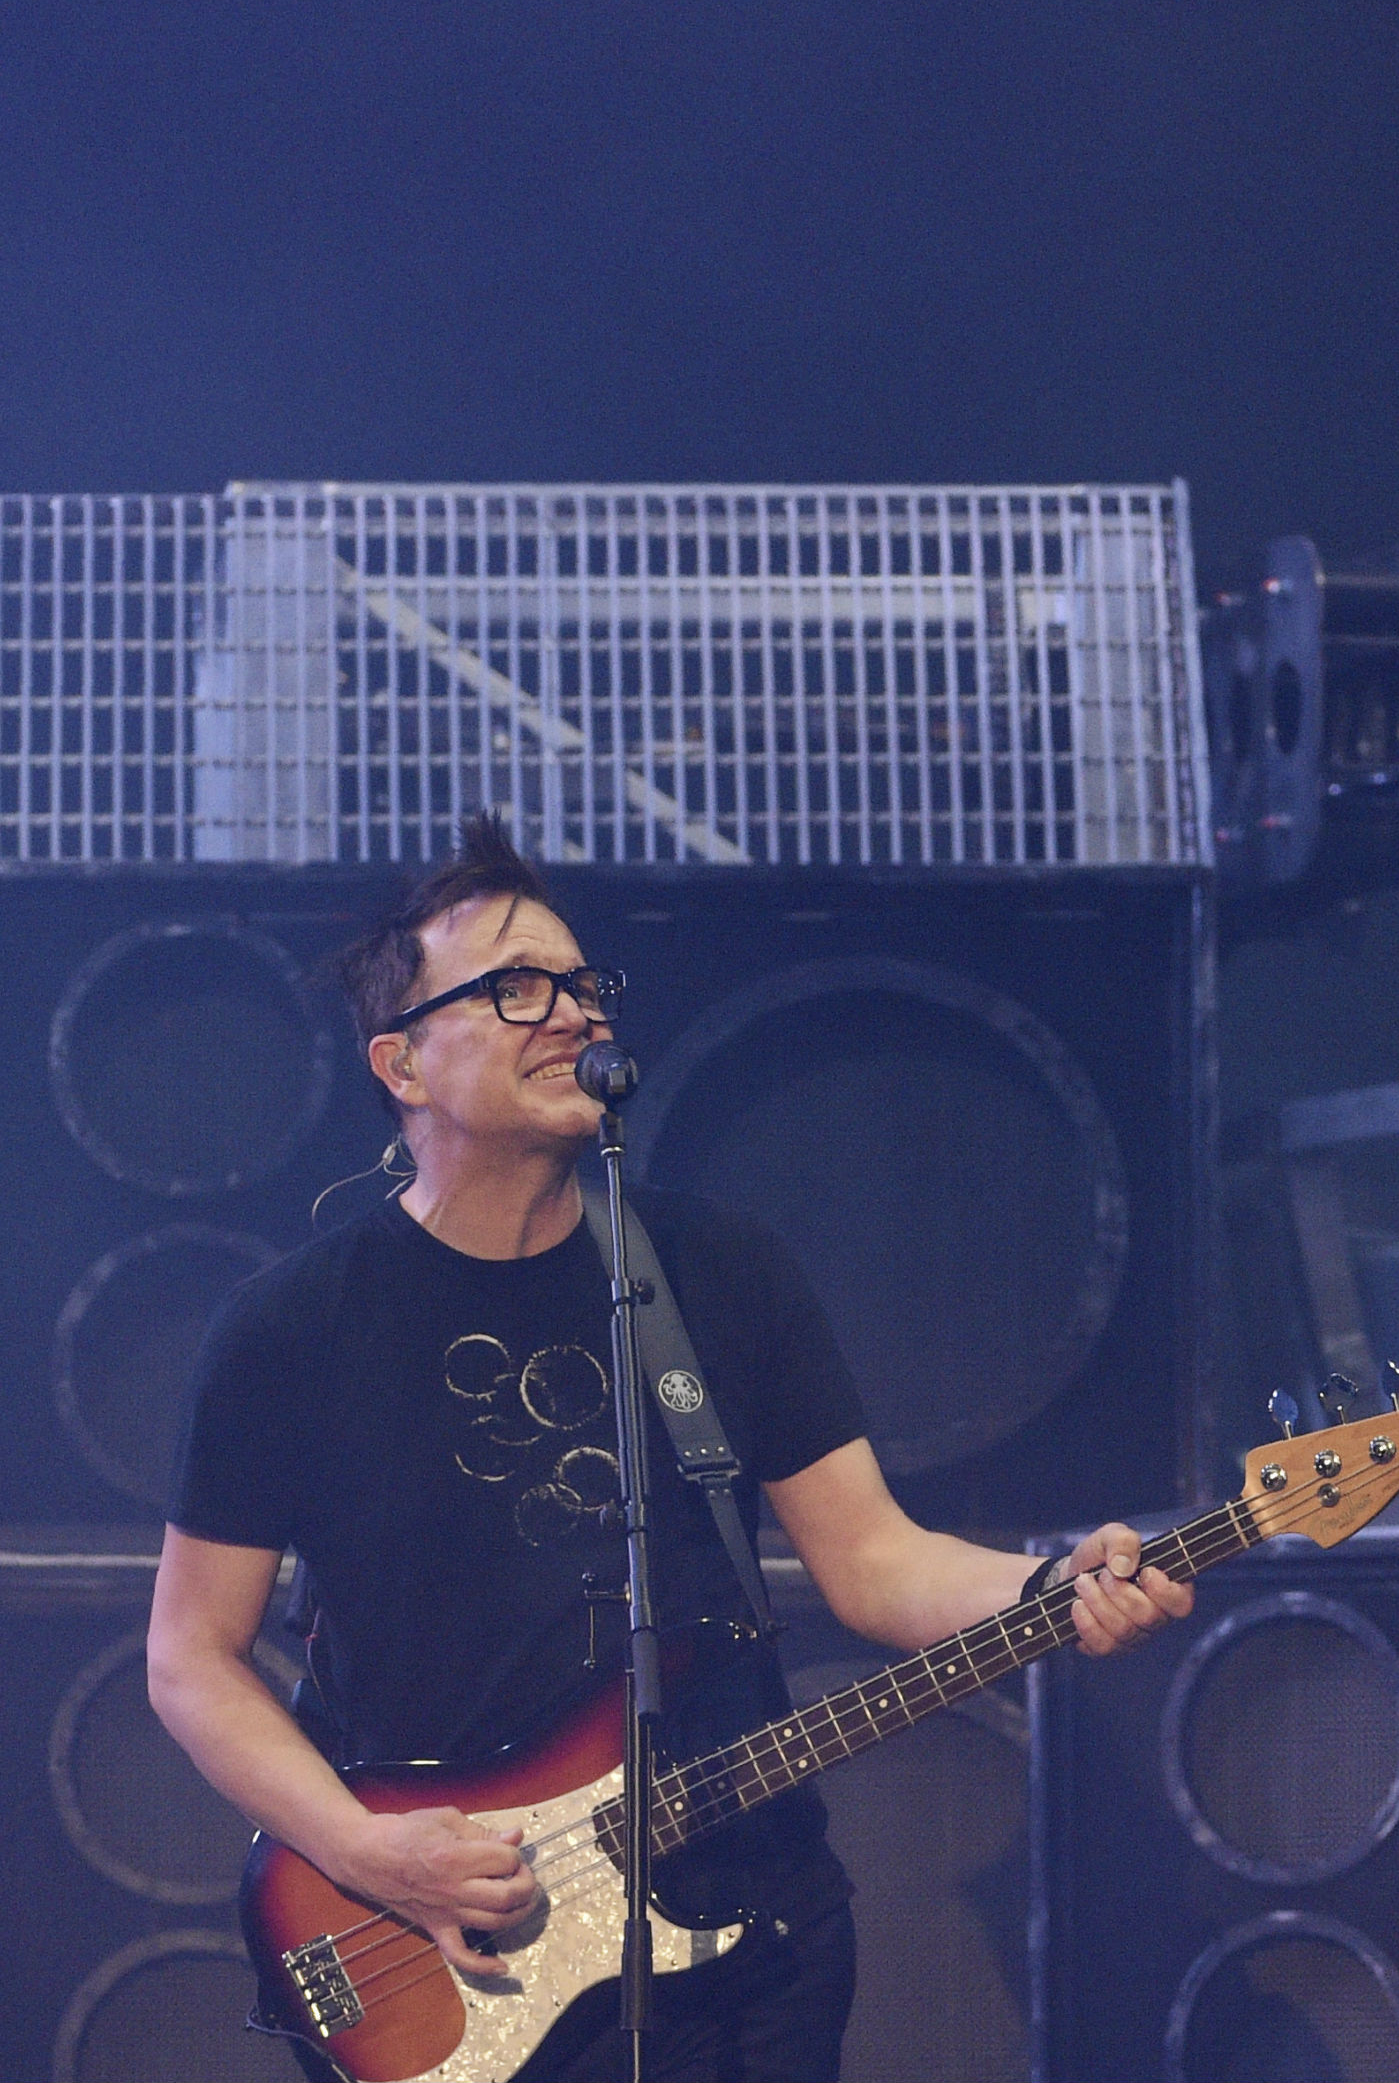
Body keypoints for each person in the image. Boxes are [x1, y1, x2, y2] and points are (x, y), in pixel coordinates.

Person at [148, 815, 1193, 2081]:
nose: (572, 1014)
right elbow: (191, 1658)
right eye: (515, 987)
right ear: (402, 1063)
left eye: (582, 985)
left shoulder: (714, 1271)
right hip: (453, 1944)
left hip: (750, 1934)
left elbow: (872, 1561)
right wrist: (363, 1851)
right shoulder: (292, 1329)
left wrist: (1047, 1588)